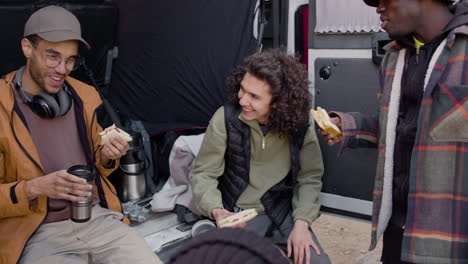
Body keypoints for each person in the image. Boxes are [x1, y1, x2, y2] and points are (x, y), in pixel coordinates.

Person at [0, 5, 161, 264]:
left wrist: (109, 157)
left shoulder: (84, 96)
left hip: (97, 219)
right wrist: (33, 188)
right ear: (27, 48)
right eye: (53, 56)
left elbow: (100, 165)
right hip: (37, 232)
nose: (63, 69)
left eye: (70, 59)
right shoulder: (1, 106)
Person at [320, 0, 468, 263]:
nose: (378, 8)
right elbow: (399, 130)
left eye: (384, 0)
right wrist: (348, 127)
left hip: (448, 237)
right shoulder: (395, 55)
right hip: (398, 228)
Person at [191, 49, 331, 264]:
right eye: (242, 89)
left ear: (278, 102)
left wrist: (302, 224)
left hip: (282, 211)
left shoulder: (300, 124)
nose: (243, 100)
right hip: (239, 214)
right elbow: (204, 173)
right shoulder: (225, 118)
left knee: (318, 262)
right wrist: (217, 211)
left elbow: (310, 177)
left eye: (254, 96)